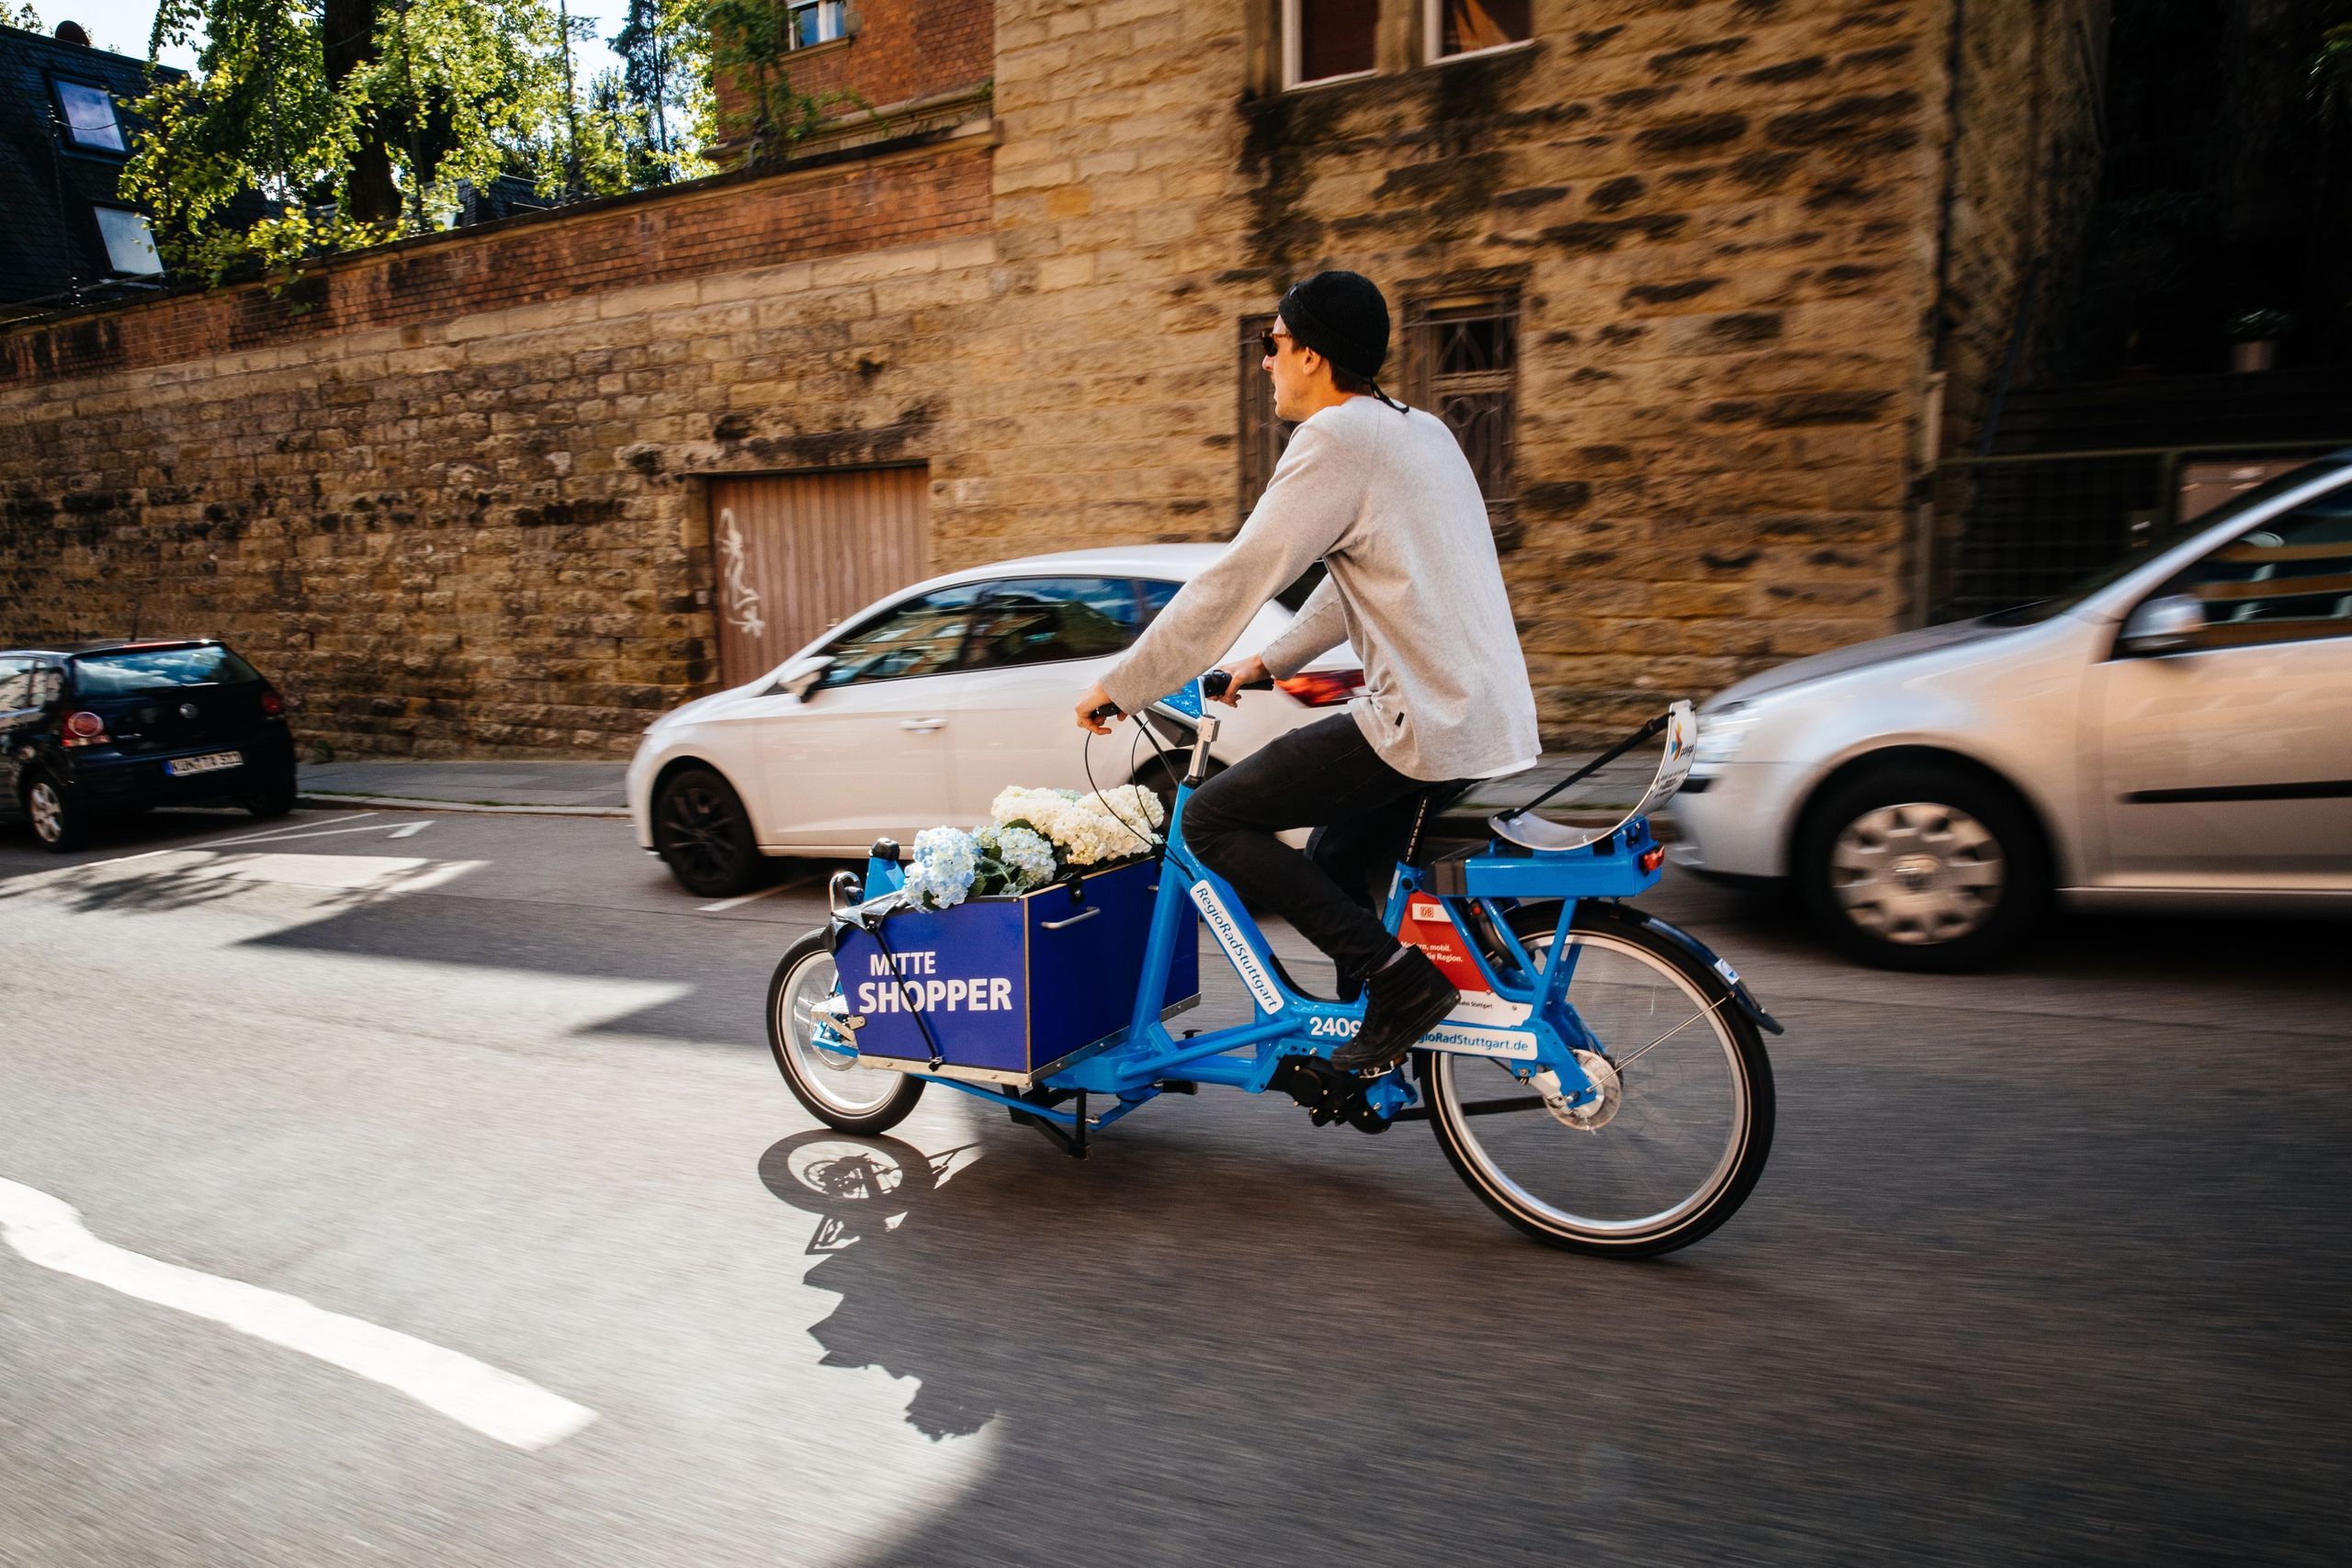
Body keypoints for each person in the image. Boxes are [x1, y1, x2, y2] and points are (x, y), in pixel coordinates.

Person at [1074, 270, 1542, 1076]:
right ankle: (1370, 1047)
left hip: (1422, 720)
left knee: (1209, 820)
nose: (1266, 362)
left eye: (1274, 344)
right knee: (1331, 859)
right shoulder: (1421, 430)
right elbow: (1350, 578)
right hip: (1488, 713)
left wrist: (1123, 684)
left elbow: (1234, 580)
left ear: (1315, 357)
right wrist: (1264, 661)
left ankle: (1400, 984)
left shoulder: (1334, 440)